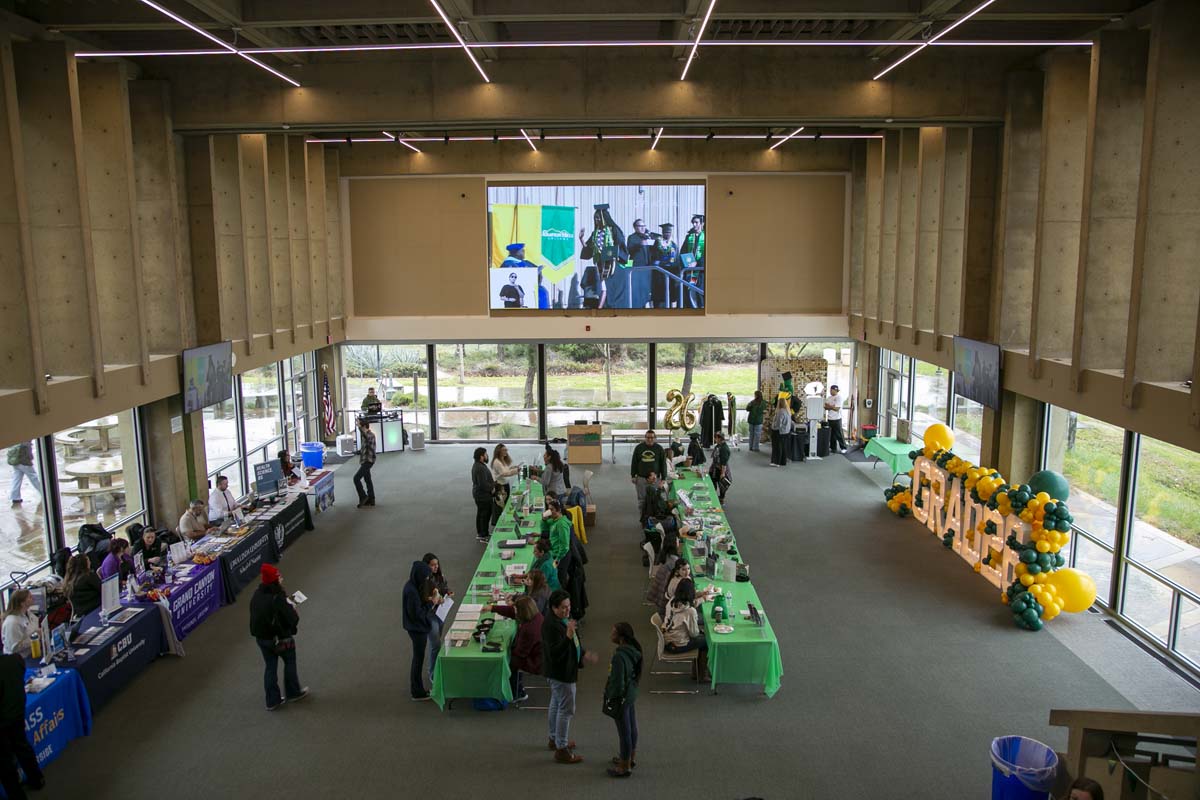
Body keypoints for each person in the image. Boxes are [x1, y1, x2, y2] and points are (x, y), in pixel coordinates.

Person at [541, 589, 598, 763]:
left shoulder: (559, 619)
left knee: (556, 704)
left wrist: (583, 653)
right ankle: (562, 749)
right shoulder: (551, 626)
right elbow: (555, 653)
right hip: (561, 673)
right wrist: (567, 637)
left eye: (569, 606)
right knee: (566, 710)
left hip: (559, 672)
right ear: (554, 608)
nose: (567, 611)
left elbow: (573, 642)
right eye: (564, 608)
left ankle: (555, 739)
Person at [248, 563, 308, 711]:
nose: (282, 578)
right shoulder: (278, 598)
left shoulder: (257, 594)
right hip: (281, 638)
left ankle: (272, 700)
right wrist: (292, 609)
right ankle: (293, 692)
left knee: (270, 667)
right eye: (279, 576)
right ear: (274, 580)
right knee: (289, 662)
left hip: (262, 638)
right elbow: (291, 619)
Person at [0, 649, 44, 798]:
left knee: (5, 761)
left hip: (2, 722)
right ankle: (37, 779)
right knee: (22, 746)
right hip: (18, 714)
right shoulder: (15, 660)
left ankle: (16, 795)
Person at [484, 595, 542, 702]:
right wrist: (492, 608)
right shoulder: (534, 616)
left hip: (536, 661)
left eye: (516, 609)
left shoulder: (529, 630)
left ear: (522, 612)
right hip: (536, 654)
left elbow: (520, 654)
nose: (513, 610)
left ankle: (516, 692)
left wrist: (505, 650)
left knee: (509, 661)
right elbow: (510, 612)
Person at [604, 622, 643, 778]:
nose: (610, 634)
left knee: (624, 732)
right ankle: (630, 757)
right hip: (630, 692)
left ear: (620, 638)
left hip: (621, 697)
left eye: (613, 632)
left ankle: (624, 766)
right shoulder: (633, 651)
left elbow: (617, 681)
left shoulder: (619, 656)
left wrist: (610, 696)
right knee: (632, 726)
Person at [402, 560, 441, 700]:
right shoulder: (411, 591)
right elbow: (418, 614)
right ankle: (417, 691)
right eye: (425, 577)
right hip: (417, 629)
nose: (426, 580)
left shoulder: (413, 585)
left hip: (417, 627)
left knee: (418, 658)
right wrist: (432, 602)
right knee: (418, 659)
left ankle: (416, 688)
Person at [579, 204, 628, 309]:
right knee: (603, 286)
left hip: (612, 264)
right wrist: (581, 239)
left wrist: (610, 253)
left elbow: (620, 246)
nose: (596, 220)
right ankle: (601, 307)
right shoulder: (595, 233)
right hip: (600, 263)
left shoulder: (613, 230)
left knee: (607, 287)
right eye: (595, 218)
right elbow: (589, 249)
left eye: (598, 218)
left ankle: (605, 307)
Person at [662, 581, 709, 680]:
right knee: (706, 641)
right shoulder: (690, 611)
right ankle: (702, 675)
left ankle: (696, 671)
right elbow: (694, 634)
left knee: (702, 636)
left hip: (668, 640)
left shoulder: (672, 601)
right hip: (678, 644)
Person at [422, 553, 451, 682]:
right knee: (436, 644)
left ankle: (436, 669)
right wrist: (433, 600)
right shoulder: (423, 580)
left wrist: (448, 592)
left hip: (440, 613)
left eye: (437, 564)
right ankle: (433, 674)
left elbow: (444, 588)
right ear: (426, 566)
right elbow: (422, 598)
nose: (435, 567)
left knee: (437, 641)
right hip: (429, 615)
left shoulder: (440, 576)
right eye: (432, 565)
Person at [630, 430, 667, 517]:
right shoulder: (639, 448)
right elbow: (634, 462)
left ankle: (654, 518)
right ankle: (643, 517)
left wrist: (664, 478)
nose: (650, 439)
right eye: (648, 437)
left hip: (655, 479)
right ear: (645, 438)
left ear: (655, 438)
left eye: (652, 438)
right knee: (642, 500)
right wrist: (633, 475)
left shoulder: (659, 448)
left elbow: (663, 464)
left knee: (655, 499)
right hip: (641, 479)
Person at [626, 219, 654, 308]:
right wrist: (639, 244)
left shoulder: (648, 236)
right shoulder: (632, 237)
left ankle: (648, 304)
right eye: (640, 226)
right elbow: (629, 250)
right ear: (635, 228)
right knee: (638, 289)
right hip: (638, 268)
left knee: (648, 288)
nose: (642, 228)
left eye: (644, 226)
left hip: (648, 267)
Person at [679, 213, 705, 308]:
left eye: (696, 222)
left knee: (700, 292)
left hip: (702, 271)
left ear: (702, 223)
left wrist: (697, 263)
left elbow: (708, 253)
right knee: (691, 291)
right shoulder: (689, 237)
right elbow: (683, 252)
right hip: (691, 271)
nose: (694, 225)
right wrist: (688, 263)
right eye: (693, 222)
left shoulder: (707, 236)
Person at [490, 443, 520, 525]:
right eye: (504, 450)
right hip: (500, 487)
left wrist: (512, 468)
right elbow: (504, 473)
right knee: (500, 506)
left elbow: (505, 470)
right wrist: (515, 471)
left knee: (505, 504)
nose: (506, 451)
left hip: (505, 485)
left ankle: (503, 522)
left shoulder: (502, 460)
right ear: (499, 451)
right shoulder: (497, 462)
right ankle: (498, 524)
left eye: (506, 450)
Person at [650, 223, 678, 308]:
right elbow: (652, 256)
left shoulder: (673, 244)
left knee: (669, 292)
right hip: (659, 272)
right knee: (659, 293)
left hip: (670, 271)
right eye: (665, 232)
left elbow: (675, 258)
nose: (667, 234)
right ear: (662, 233)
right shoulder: (657, 243)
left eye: (669, 232)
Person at [1, 591, 36, 657]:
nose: (33, 598)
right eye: (30, 597)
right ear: (22, 603)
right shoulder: (12, 622)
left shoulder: (27, 613)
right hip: (18, 660)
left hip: (30, 652)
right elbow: (14, 648)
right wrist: (34, 638)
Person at [471, 447, 495, 543]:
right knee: (484, 514)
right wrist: (492, 487)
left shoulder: (478, 465)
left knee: (481, 513)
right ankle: (482, 535)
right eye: (485, 454)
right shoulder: (480, 468)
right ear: (481, 456)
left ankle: (482, 532)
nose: (487, 456)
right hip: (483, 496)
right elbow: (483, 484)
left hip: (480, 495)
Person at [7, 441, 40, 508]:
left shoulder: (18, 440)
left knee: (16, 479)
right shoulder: (26, 443)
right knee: (34, 478)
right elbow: (29, 456)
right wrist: (30, 462)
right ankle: (44, 492)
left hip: (15, 462)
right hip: (24, 463)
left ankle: (15, 497)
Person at [354, 416, 377, 508]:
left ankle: (363, 497)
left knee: (356, 478)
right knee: (367, 479)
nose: (357, 424)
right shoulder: (365, 436)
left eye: (359, 423)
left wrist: (359, 427)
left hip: (368, 460)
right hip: (364, 460)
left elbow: (366, 437)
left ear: (363, 425)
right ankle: (371, 499)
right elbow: (366, 447)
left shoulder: (370, 435)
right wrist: (358, 452)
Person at [541, 498, 572, 562]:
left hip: (560, 557)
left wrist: (557, 560)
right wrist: (543, 520)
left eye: (552, 509)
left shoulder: (561, 524)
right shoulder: (554, 520)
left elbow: (564, 546)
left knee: (555, 570)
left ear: (559, 510)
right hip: (554, 552)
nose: (549, 512)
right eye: (549, 509)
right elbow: (544, 529)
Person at [709, 431, 733, 504]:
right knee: (712, 482)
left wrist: (722, 473)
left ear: (719, 438)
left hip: (721, 469)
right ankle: (713, 496)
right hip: (715, 468)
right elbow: (715, 458)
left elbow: (724, 462)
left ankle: (721, 499)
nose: (715, 439)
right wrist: (711, 468)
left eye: (715, 438)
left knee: (722, 485)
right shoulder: (718, 446)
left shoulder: (724, 448)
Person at [770, 398, 793, 467]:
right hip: (786, 432)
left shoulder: (780, 411)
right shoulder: (788, 411)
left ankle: (776, 462)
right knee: (783, 447)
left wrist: (773, 427)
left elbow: (778, 423)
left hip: (779, 432)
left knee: (776, 447)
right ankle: (783, 461)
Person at [825, 384, 847, 453]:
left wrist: (830, 406)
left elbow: (837, 408)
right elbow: (825, 407)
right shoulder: (829, 397)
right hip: (830, 418)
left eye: (832, 390)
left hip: (837, 419)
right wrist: (832, 406)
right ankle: (833, 447)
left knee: (839, 434)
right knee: (831, 434)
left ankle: (843, 447)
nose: (831, 391)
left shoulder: (839, 397)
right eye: (831, 390)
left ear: (836, 390)